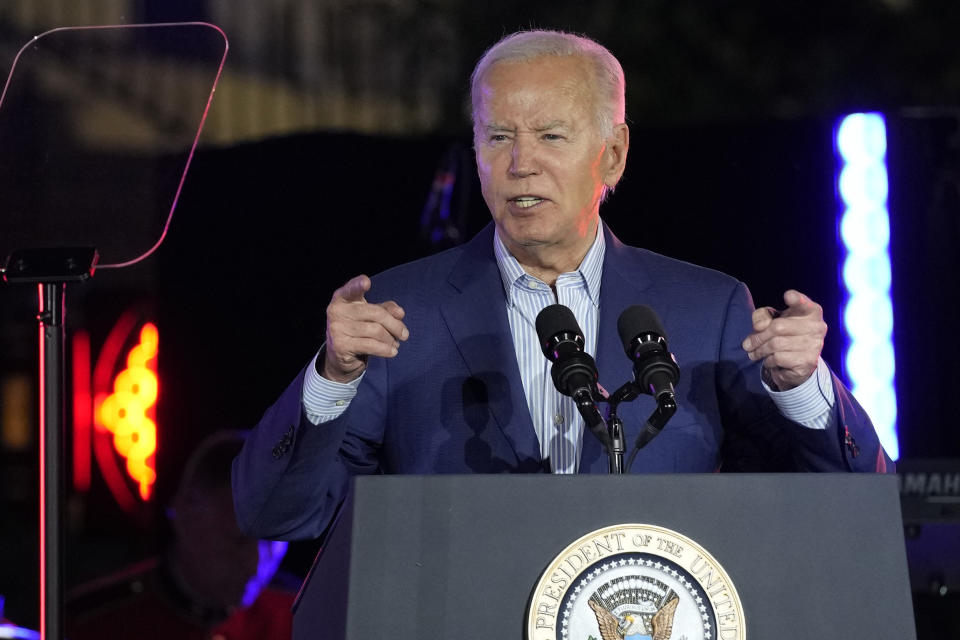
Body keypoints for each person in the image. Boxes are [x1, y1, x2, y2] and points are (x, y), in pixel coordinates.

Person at [232, 29, 892, 542]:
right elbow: (273, 515)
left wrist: (804, 387)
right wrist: (331, 379)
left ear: (613, 153)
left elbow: (853, 501)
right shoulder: (400, 315)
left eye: (551, 135)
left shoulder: (707, 309)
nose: (521, 164)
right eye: (498, 137)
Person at [67, 431, 295, 640]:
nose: (254, 564)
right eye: (235, 540)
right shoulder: (99, 622)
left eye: (272, 543)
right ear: (184, 515)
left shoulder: (300, 615)